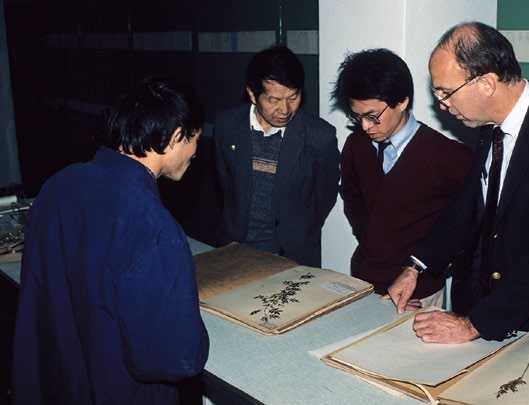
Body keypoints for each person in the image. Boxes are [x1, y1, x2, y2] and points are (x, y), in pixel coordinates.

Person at [385, 22, 529, 347]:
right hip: (498, 319)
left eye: (446, 93)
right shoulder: (491, 129)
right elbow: (465, 209)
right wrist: (416, 266)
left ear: (486, 83)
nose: (441, 104)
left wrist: (472, 325)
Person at [12, 77, 210, 404]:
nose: (195, 152)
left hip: (57, 384)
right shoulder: (155, 227)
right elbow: (174, 357)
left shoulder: (58, 186)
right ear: (177, 137)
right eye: (195, 140)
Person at [332, 48, 472, 305]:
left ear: (402, 101)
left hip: (419, 293)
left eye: (373, 116)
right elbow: (352, 199)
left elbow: (469, 224)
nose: (365, 126)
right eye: (357, 116)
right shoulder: (356, 146)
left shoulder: (449, 157)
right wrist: (372, 242)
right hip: (364, 282)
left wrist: (423, 270)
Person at [213, 45, 340, 267]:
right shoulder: (226, 126)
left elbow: (324, 196)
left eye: (293, 97)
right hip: (235, 253)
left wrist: (299, 232)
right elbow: (226, 184)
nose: (284, 109)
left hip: (292, 256)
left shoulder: (320, 136)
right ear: (252, 94)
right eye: (273, 100)